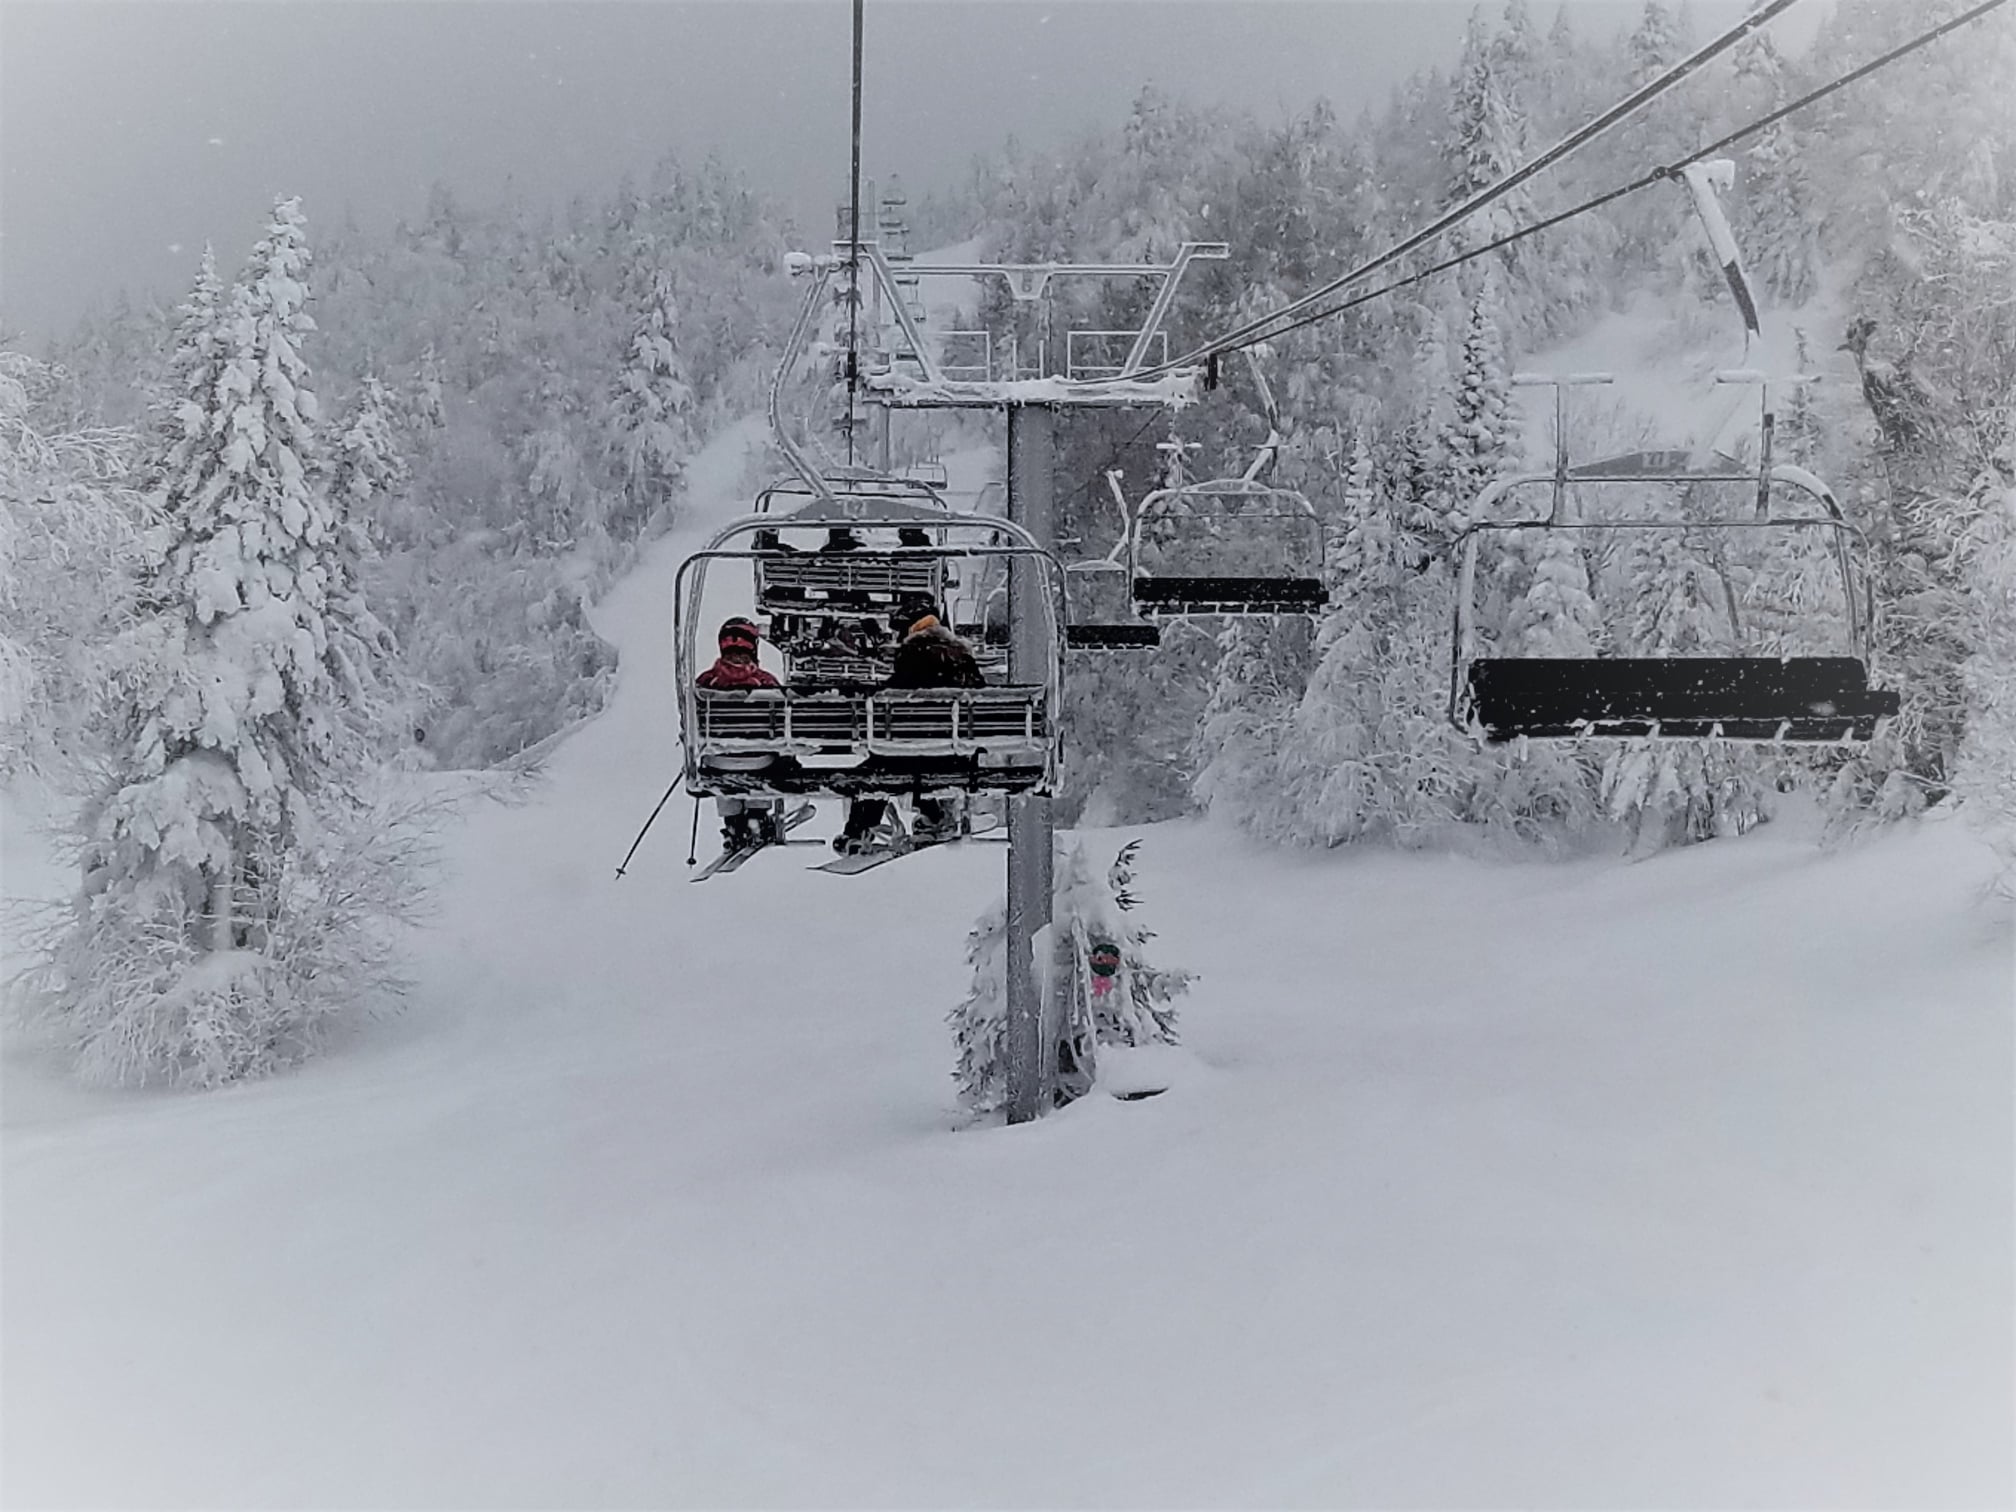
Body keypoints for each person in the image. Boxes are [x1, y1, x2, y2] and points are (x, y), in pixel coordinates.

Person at [835, 597, 987, 854]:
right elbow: (981, 700)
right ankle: (934, 818)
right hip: (953, 756)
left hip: (914, 754)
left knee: (876, 771)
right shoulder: (963, 658)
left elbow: (895, 698)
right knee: (911, 759)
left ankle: (858, 832)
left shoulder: (914, 654)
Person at [695, 617, 786, 850]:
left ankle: (734, 823)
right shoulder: (767, 683)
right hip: (760, 760)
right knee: (764, 759)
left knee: (722, 764)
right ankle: (757, 816)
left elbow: (690, 722)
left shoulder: (706, 682)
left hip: (718, 759)